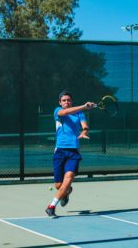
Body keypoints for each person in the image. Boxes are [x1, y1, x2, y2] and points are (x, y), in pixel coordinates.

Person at [45, 90, 95, 218]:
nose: (66, 102)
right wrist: (84, 106)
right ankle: (67, 192)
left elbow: (85, 125)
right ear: (60, 103)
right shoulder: (58, 111)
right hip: (60, 151)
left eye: (68, 100)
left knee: (69, 177)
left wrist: (84, 131)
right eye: (64, 100)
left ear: (71, 101)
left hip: (73, 151)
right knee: (58, 186)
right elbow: (66, 112)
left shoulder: (79, 113)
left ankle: (51, 206)